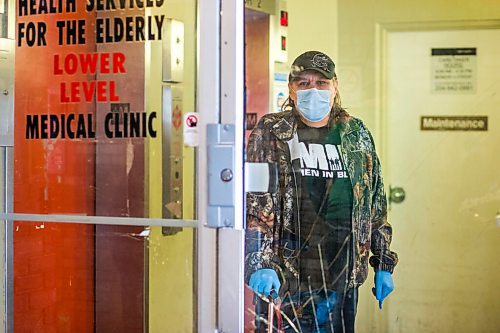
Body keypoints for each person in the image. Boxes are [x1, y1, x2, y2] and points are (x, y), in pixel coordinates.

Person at [245, 51, 398, 333]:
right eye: (303, 83)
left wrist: (383, 260)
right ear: (291, 88)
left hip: (342, 276)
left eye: (321, 83)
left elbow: (374, 203)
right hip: (285, 278)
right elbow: (255, 204)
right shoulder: (271, 132)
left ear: (335, 86)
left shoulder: (355, 134)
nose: (312, 91)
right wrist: (260, 262)